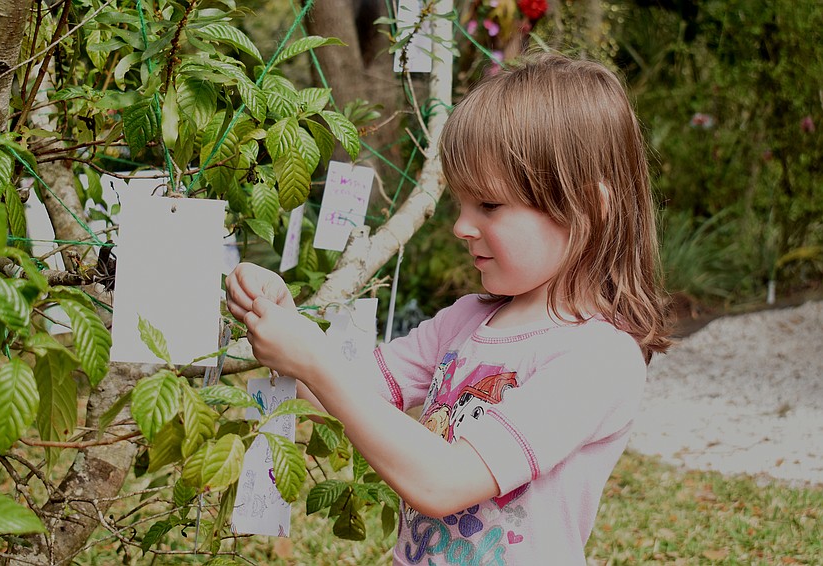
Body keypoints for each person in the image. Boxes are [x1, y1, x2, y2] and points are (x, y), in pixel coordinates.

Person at [225, 51, 671, 565]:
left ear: (586, 208)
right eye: (461, 203)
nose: (461, 226)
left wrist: (314, 359)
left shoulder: (596, 359)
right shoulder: (465, 320)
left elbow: (443, 483)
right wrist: (285, 323)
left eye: (490, 205)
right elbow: (337, 396)